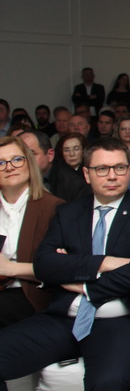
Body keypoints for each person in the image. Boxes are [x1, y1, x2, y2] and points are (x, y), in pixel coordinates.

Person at [0, 137, 130, 391]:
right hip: (64, 318)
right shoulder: (68, 212)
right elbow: (45, 265)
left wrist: (84, 284)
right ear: (87, 174)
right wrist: (104, 263)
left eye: (119, 167)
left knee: (108, 386)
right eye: (102, 169)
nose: (112, 176)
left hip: (120, 321)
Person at [0, 136, 64, 326]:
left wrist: (9, 268)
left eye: (17, 159)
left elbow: (61, 269)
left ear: (29, 162)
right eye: (1, 163)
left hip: (32, 293)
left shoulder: (53, 208)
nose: (10, 167)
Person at [51, 133, 92, 201]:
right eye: (67, 150)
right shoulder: (56, 174)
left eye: (76, 149)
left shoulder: (90, 172)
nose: (72, 154)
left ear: (83, 151)